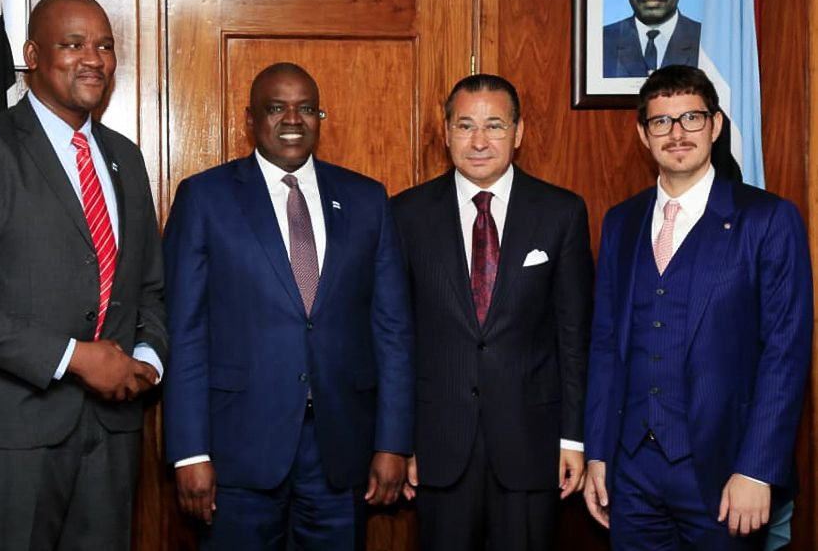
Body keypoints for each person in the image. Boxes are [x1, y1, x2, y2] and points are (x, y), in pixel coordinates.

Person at [0, 0, 167, 550]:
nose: (94, 59)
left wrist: (146, 359)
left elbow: (150, 287)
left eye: (104, 46)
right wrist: (73, 357)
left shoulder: (126, 157)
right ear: (32, 53)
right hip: (8, 438)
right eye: (73, 44)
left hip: (111, 434)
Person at [162, 62, 414, 550]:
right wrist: (189, 452)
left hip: (341, 450)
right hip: (238, 452)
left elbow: (393, 330)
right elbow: (186, 333)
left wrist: (393, 441)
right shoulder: (204, 198)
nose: (292, 119)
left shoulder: (367, 199)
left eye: (305, 108)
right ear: (249, 119)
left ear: (321, 117)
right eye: (276, 108)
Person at [583, 65, 812, 549]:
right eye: (662, 122)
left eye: (691, 118)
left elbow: (785, 355)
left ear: (716, 125)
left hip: (725, 473)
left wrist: (756, 469)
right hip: (632, 473)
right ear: (643, 134)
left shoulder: (767, 219)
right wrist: (599, 454)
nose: (677, 134)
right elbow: (605, 346)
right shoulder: (621, 223)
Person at [391, 74, 594, 550]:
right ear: (446, 133)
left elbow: (574, 336)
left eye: (495, 126)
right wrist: (400, 442)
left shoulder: (561, 212)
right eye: (465, 126)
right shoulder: (405, 214)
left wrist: (574, 439)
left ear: (518, 133)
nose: (479, 141)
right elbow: (396, 339)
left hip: (533, 444)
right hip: (438, 445)